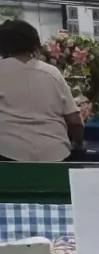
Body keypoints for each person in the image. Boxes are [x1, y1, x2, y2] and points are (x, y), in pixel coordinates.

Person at [0, 20, 84, 161]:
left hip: (8, 155)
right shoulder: (52, 72)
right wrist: (79, 145)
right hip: (56, 155)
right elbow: (75, 121)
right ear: (34, 44)